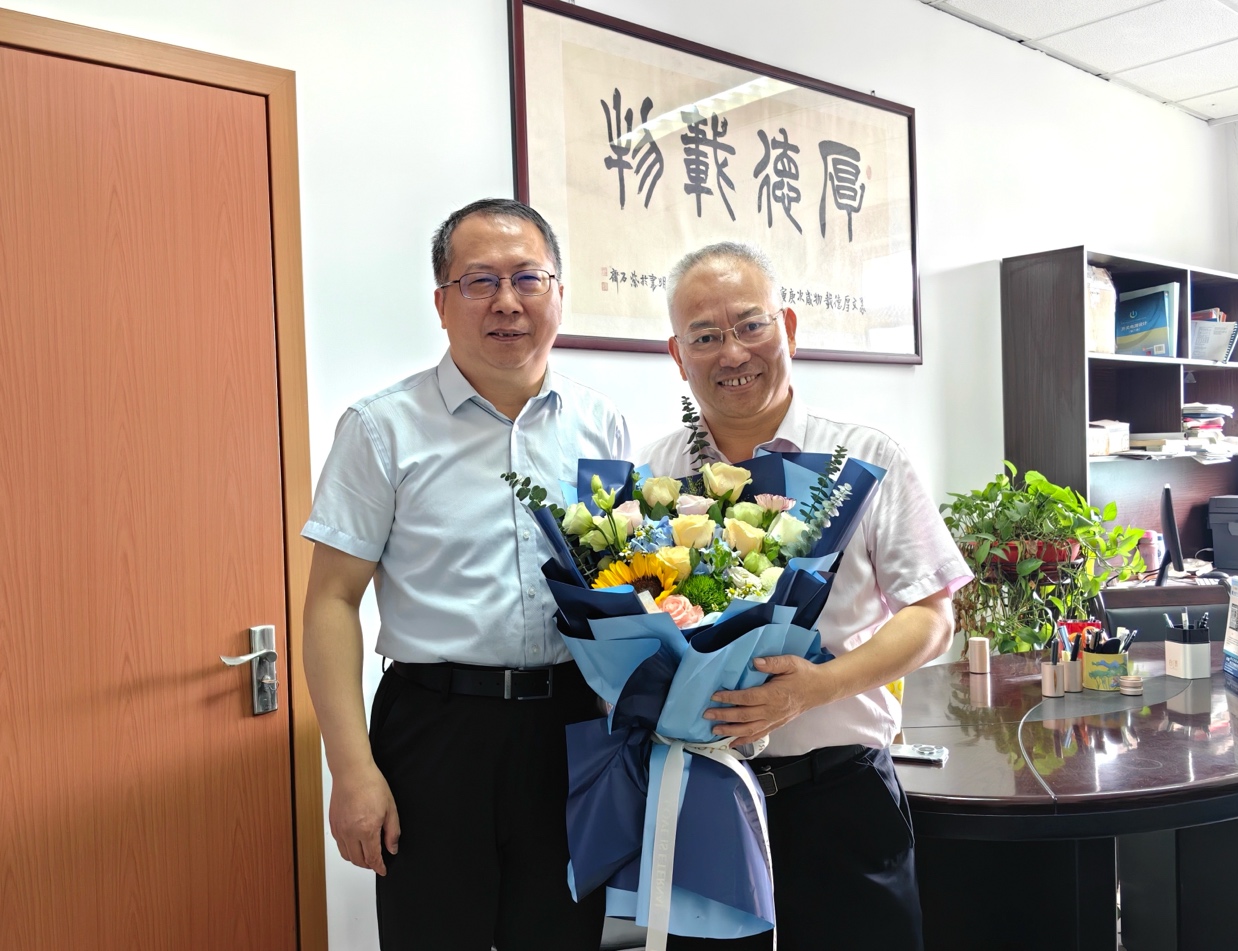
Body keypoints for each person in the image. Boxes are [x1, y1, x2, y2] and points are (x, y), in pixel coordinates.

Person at [301, 198, 629, 951]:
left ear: (558, 293)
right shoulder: (382, 426)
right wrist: (350, 770)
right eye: (480, 281)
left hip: (569, 726)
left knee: (563, 937)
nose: (507, 302)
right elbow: (331, 601)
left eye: (527, 278)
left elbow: (616, 585)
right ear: (442, 303)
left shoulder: (600, 424)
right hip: (435, 730)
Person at [640, 242, 970, 951]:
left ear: (787, 327)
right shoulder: (655, 476)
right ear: (677, 354)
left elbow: (931, 615)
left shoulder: (866, 458)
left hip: (839, 797)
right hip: (705, 795)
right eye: (705, 335)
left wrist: (814, 688)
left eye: (750, 325)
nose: (732, 352)